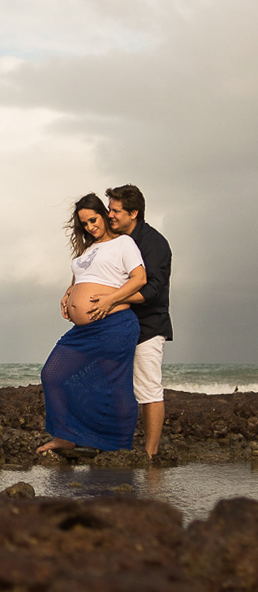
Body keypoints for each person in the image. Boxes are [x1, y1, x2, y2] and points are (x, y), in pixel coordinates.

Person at [37, 193, 146, 455]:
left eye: (93, 219)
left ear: (104, 215)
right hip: (84, 330)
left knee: (114, 386)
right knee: (52, 375)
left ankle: (118, 446)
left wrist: (110, 300)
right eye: (84, 223)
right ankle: (65, 437)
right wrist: (69, 294)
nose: (90, 227)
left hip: (113, 325)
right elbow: (85, 277)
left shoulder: (123, 244)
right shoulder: (88, 249)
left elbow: (139, 278)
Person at [87, 185, 173, 460]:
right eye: (109, 209)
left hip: (148, 326)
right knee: (109, 385)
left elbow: (153, 290)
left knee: (148, 388)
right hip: (115, 326)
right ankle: (108, 442)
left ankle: (149, 453)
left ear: (133, 213)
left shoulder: (154, 244)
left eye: (115, 210)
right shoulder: (115, 240)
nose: (109, 214)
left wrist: (112, 299)